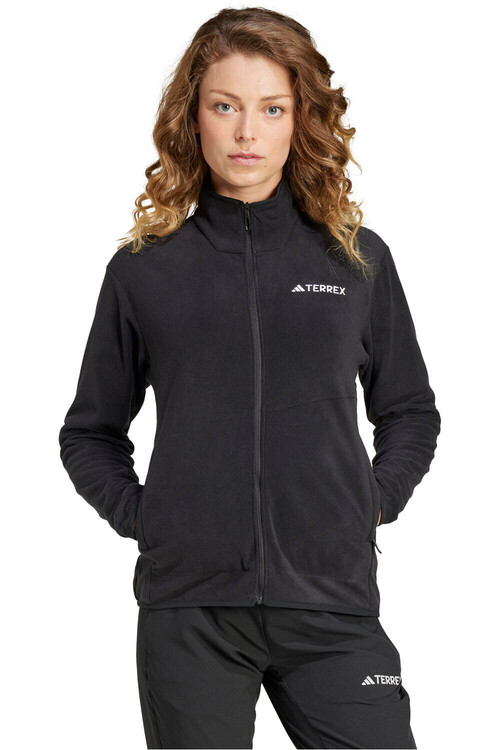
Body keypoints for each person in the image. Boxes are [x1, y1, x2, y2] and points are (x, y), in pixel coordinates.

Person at [58, 7, 441, 749]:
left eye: (271, 109)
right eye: (225, 106)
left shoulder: (356, 260)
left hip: (333, 605)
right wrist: (152, 518)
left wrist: (370, 501)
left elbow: (409, 411)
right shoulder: (144, 270)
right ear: (193, 117)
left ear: (301, 120)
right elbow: (90, 433)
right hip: (190, 613)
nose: (246, 133)